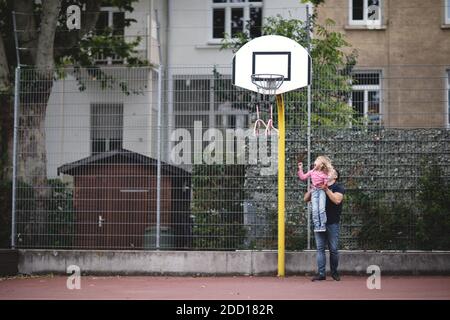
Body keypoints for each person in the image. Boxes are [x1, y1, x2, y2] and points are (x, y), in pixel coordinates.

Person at [304, 168, 345, 281]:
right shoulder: (318, 184)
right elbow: (306, 199)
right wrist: (312, 190)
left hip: (332, 223)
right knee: (320, 249)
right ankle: (321, 274)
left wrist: (326, 189)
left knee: (334, 249)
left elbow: (337, 200)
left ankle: (334, 272)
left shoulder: (338, 187)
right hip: (319, 224)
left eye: (330, 171)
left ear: (335, 176)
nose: (327, 172)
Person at [298, 156, 333, 232]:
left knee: (321, 209)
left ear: (321, 165)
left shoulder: (324, 174)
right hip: (314, 191)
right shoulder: (312, 172)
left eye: (317, 161)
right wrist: (300, 168)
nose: (315, 162)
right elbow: (303, 177)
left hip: (321, 191)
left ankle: (322, 225)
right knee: (314, 210)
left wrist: (325, 185)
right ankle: (317, 226)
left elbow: (327, 182)